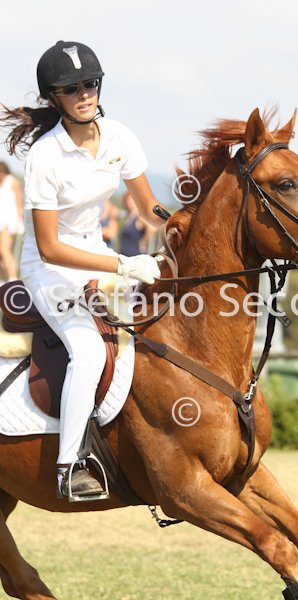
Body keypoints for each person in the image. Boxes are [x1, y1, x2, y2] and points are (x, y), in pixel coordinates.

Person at [0, 40, 167, 500]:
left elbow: (148, 208)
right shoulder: (45, 156)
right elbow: (50, 247)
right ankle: (69, 464)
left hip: (98, 252)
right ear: (54, 98)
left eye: (90, 84)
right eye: (71, 89)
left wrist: (181, 224)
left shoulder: (119, 138)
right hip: (49, 271)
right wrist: (123, 263)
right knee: (89, 352)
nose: (84, 94)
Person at [0, 161, 24, 281]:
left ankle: (13, 279)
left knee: (4, 250)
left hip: (9, 222)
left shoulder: (12, 181)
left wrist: (19, 221)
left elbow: (19, 201)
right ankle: (6, 280)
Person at [120, 191, 156, 255]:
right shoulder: (128, 216)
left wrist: (144, 241)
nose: (129, 202)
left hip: (136, 255)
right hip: (125, 255)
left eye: (131, 199)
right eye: (127, 200)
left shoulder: (139, 216)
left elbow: (152, 228)